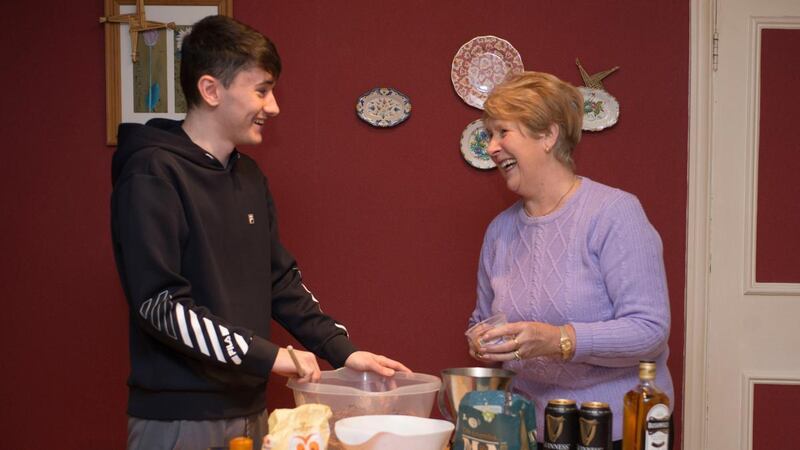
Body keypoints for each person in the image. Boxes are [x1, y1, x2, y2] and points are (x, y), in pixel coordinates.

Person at [110, 15, 409, 450]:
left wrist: (342, 350)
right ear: (211, 90)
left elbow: (279, 279)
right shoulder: (152, 173)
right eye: (262, 90)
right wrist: (271, 357)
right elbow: (160, 306)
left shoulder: (248, 175)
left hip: (250, 409)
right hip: (181, 419)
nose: (273, 107)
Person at [466, 71, 673, 449]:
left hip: (611, 432)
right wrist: (481, 338)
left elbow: (650, 331)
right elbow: (482, 319)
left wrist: (558, 339)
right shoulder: (499, 230)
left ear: (548, 135)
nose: (492, 147)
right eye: (488, 135)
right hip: (527, 433)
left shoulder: (614, 213)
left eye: (502, 132)